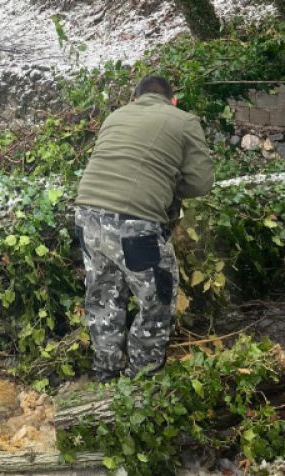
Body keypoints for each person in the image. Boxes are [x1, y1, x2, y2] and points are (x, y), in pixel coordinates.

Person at [74, 76, 214, 382]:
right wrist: (169, 185)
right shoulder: (184, 120)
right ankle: (142, 381)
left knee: (103, 297)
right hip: (134, 226)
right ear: (172, 100)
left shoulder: (115, 116)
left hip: (86, 217)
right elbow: (202, 182)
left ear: (134, 99)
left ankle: (104, 373)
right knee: (157, 300)